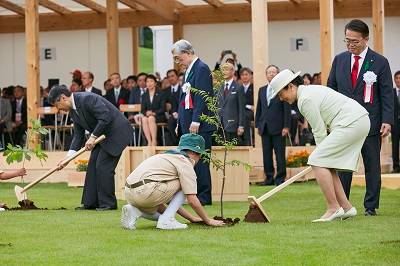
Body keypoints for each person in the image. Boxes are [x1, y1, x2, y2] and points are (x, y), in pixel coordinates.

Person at [272, 69, 370, 222]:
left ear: (291, 86)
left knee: (318, 159)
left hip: (352, 122)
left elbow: (319, 131)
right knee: (325, 162)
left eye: (280, 93)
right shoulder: (308, 92)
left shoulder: (305, 99)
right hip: (358, 120)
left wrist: (320, 156)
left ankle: (333, 208)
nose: (281, 98)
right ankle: (346, 207)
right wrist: (324, 157)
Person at [327, 19, 393, 216]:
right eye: (346, 40)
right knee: (344, 166)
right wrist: (330, 118)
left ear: (365, 39)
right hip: (345, 124)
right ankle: (343, 205)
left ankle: (370, 206)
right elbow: (332, 90)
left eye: (354, 41)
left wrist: (387, 120)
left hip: (370, 123)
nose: (350, 45)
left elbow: (387, 93)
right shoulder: (339, 60)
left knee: (372, 166)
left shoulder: (380, 62)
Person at [48, 85, 133, 211]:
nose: (59, 110)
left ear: (63, 98)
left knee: (103, 167)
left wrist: (93, 137)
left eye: (57, 105)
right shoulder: (73, 110)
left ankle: (108, 204)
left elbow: (105, 117)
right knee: (93, 165)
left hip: (116, 133)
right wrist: (67, 158)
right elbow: (78, 135)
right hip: (103, 136)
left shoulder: (87, 98)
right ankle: (90, 203)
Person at [121, 133, 224, 230]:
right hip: (147, 191)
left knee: (163, 211)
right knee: (185, 184)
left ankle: (135, 211)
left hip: (129, 193)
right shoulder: (185, 161)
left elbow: (168, 201)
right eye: (200, 155)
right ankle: (166, 221)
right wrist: (208, 220)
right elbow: (192, 199)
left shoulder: (165, 156)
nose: (199, 158)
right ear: (193, 152)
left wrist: (191, 218)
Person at [171, 39, 215, 205]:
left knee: (201, 161)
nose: (177, 62)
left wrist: (196, 120)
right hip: (187, 122)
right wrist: (179, 122)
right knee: (189, 161)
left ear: (188, 53)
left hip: (199, 124)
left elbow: (202, 97)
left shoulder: (202, 68)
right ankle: (193, 195)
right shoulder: (189, 70)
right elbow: (184, 98)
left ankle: (204, 196)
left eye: (178, 57)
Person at [255, 65, 290, 186]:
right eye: (269, 72)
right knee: (266, 155)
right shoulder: (262, 90)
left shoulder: (282, 88)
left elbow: (287, 109)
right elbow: (259, 108)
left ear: (278, 74)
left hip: (279, 128)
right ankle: (269, 178)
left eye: (273, 72)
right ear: (266, 75)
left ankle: (280, 178)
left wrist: (286, 126)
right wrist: (258, 124)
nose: (271, 74)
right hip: (264, 127)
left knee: (280, 155)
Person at [218, 62, 245, 143]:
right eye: (222, 70)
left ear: (233, 72)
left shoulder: (239, 87)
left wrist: (241, 125)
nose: (224, 72)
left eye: (226, 69)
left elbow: (241, 108)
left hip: (233, 125)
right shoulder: (219, 87)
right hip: (219, 125)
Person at [140, 74, 166, 146]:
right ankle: (149, 141)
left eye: (151, 81)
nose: (149, 83)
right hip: (148, 116)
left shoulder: (161, 93)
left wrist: (153, 113)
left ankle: (154, 141)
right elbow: (142, 110)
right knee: (144, 119)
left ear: (155, 83)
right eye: (147, 81)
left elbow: (163, 108)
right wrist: (146, 112)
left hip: (159, 116)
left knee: (151, 118)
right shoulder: (144, 95)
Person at [239, 67, 255, 146]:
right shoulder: (238, 87)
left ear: (250, 76)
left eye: (246, 74)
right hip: (240, 110)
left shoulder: (254, 87)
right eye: (242, 75)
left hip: (250, 112)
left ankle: (247, 141)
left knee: (245, 116)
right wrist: (248, 106)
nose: (244, 76)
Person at [392, 71, 400, 173]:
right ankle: (396, 167)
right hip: (395, 124)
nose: (399, 80)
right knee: (395, 145)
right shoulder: (391, 92)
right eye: (397, 78)